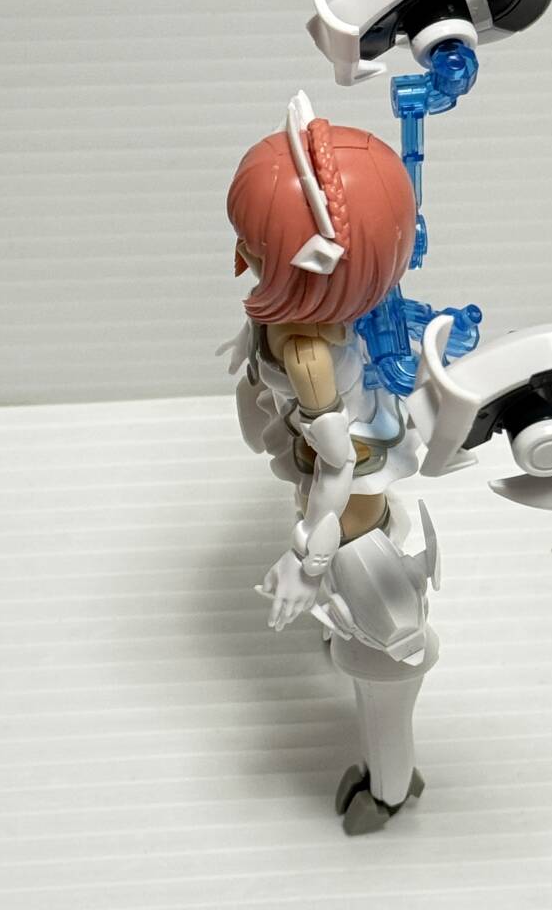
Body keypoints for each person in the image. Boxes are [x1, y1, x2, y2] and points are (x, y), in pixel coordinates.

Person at [223, 91, 437, 834]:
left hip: (353, 542)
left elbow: (338, 467)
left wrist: (306, 562)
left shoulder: (310, 353)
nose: (241, 255)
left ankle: (390, 787)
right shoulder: (305, 319)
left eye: (256, 244)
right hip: (333, 500)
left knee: (385, 673)